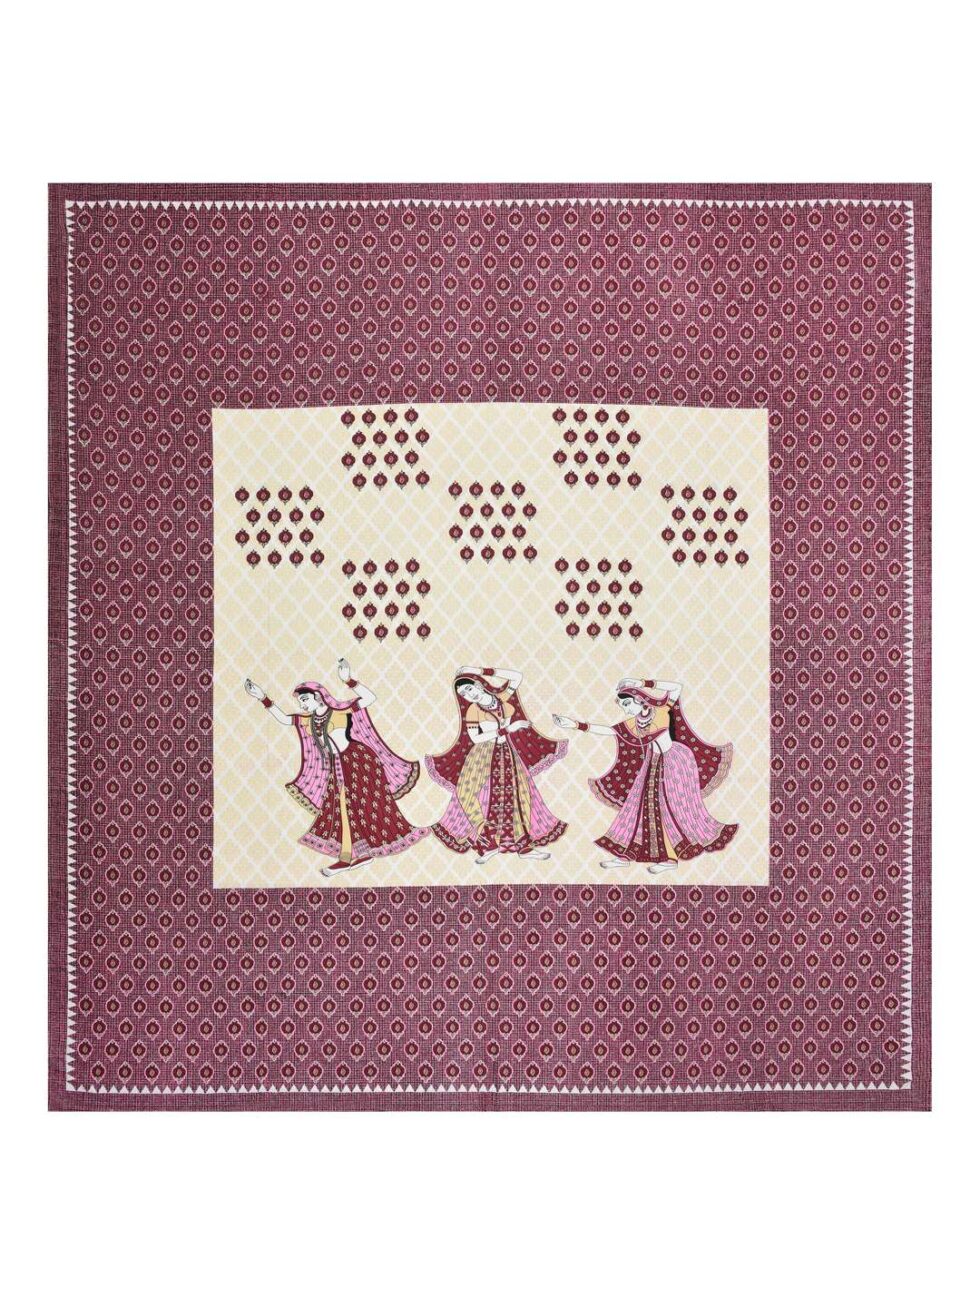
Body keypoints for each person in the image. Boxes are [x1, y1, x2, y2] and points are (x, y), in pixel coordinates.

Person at [244, 659, 427, 877]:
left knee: (362, 806)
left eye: (305, 700)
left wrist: (348, 680)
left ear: (318, 696)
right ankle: (354, 855)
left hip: (359, 761)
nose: (302, 705)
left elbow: (370, 698)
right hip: (338, 766)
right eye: (300, 702)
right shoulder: (308, 720)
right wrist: (262, 698)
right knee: (339, 808)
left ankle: (354, 855)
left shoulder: (341, 711)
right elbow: (284, 719)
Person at [553, 677, 737, 873]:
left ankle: (670, 859)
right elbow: (610, 731)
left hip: (675, 763)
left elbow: (677, 687)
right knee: (638, 807)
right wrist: (576, 725)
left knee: (669, 809)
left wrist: (642, 683)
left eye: (627, 704)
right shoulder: (634, 722)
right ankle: (626, 855)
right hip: (654, 762)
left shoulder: (661, 711)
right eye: (622, 706)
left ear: (639, 699)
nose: (625, 710)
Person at [426, 666, 567, 865]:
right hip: (483, 756)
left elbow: (517, 676)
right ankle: (488, 845)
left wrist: (478, 670)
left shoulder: (501, 699)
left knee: (516, 796)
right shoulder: (474, 710)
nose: (469, 696)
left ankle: (524, 846)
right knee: (479, 797)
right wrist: (508, 729)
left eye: (469, 689)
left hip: (506, 754)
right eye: (464, 695)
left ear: (477, 684)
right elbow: (476, 738)